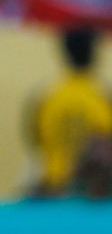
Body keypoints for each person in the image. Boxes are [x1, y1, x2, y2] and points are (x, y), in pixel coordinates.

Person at [28, 27, 112, 196]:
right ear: (95, 54)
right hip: (93, 194)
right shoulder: (104, 98)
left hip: (55, 188)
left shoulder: (45, 98)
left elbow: (35, 142)